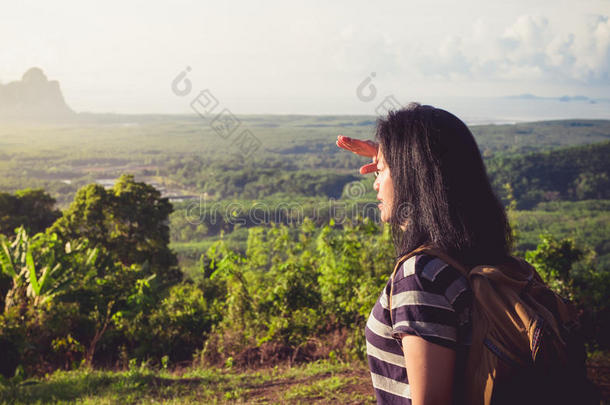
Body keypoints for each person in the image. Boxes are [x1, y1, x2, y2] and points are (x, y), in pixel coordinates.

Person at [336, 103, 513, 405]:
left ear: (410, 174)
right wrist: (394, 154)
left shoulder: (421, 276)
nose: (375, 183)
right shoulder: (472, 252)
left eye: (380, 171)